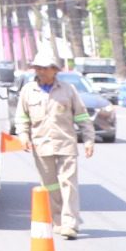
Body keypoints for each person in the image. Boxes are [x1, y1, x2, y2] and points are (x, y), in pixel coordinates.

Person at [15, 50, 94, 239]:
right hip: (41, 145)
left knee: (69, 184)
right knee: (50, 185)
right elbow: (21, 117)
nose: (40, 72)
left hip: (65, 143)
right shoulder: (28, 91)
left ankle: (70, 223)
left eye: (44, 68)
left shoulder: (68, 90)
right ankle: (58, 220)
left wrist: (89, 139)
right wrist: (23, 135)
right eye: (37, 68)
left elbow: (82, 116)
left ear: (54, 70)